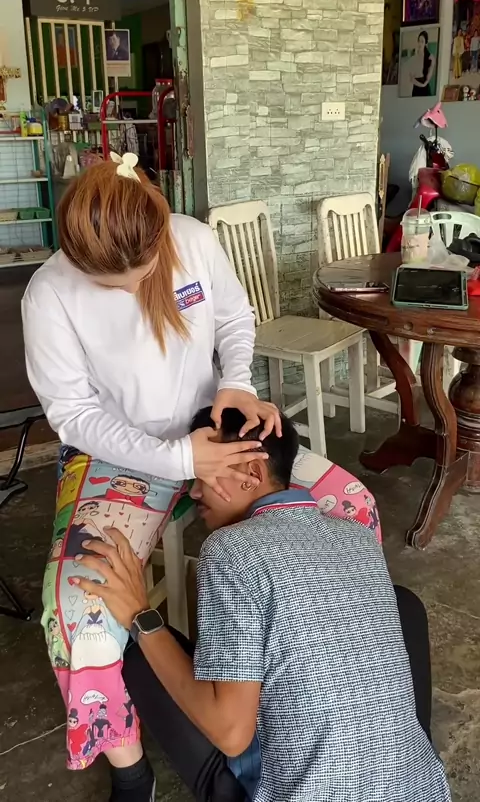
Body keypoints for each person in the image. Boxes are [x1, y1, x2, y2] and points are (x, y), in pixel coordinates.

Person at [21, 154, 280, 799]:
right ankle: (132, 773)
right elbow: (74, 416)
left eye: (139, 276)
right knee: (79, 606)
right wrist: (178, 461)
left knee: (348, 507)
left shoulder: (191, 238)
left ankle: (302, 702)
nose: (131, 292)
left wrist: (238, 384)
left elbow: (233, 317)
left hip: (213, 429)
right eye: (112, 285)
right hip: (116, 456)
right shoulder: (49, 294)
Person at [74, 408, 452, 802]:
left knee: (141, 655)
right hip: (420, 789)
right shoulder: (356, 535)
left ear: (252, 473)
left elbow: (231, 735)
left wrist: (141, 615)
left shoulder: (230, 549)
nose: (194, 491)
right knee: (402, 604)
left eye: (204, 472)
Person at [410, 30, 436, 97]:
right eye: (419, 41)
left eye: (422, 41)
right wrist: (421, 85)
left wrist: (424, 85)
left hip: (425, 89)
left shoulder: (430, 57)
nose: (420, 43)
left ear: (425, 43)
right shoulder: (414, 56)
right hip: (416, 88)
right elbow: (411, 78)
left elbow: (428, 77)